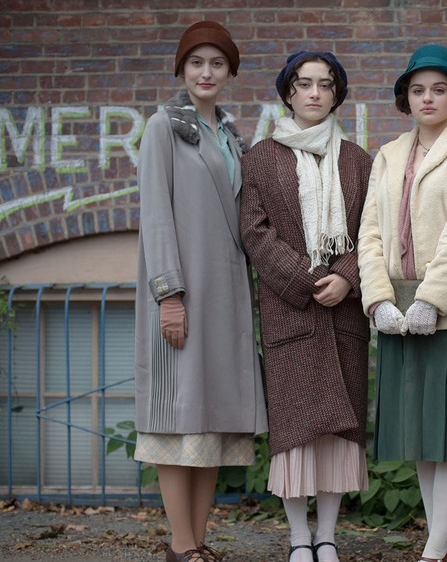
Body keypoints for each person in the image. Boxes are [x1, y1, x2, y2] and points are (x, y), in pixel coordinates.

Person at [357, 44, 447, 562]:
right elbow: (369, 233)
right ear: (406, 98)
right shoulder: (389, 155)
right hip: (398, 313)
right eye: (418, 90)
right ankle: (446, 544)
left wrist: (432, 301)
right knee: (421, 433)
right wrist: (377, 301)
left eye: (439, 89)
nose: (428, 97)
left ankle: (434, 551)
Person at [134, 21, 268, 562]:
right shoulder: (164, 127)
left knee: (210, 422)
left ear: (230, 71)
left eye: (216, 63)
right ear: (181, 70)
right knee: (178, 417)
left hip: (226, 299)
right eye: (196, 63)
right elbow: (155, 216)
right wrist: (169, 294)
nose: (206, 72)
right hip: (184, 295)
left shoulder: (234, 136)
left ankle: (199, 543)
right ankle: (181, 545)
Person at [239, 51, 372, 562]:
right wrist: (310, 277)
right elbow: (255, 232)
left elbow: (373, 232)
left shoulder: (359, 161)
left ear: (337, 93)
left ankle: (329, 536)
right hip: (290, 312)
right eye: (304, 84)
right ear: (288, 93)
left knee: (339, 432)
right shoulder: (260, 158)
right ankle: (299, 538)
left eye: (325, 84)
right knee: (295, 434)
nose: (314, 93)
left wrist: (346, 277)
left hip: (342, 315)